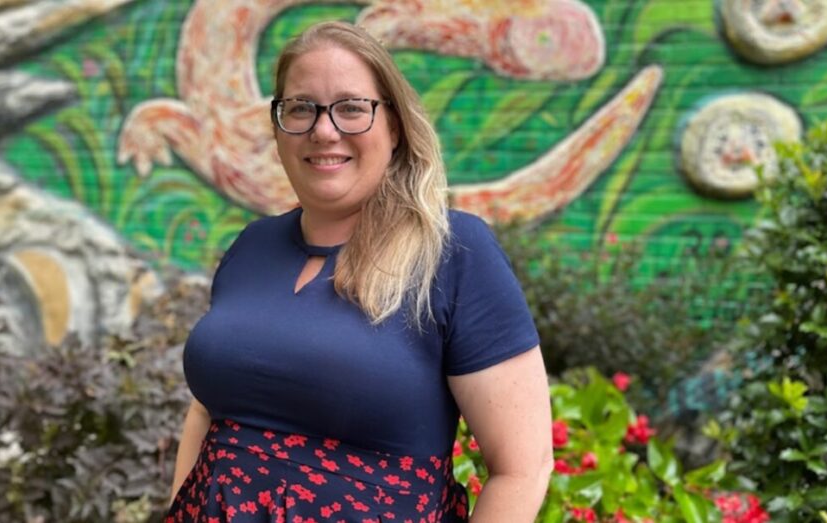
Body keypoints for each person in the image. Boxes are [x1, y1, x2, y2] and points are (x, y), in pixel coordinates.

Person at [166, 20, 553, 523]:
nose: (324, 130)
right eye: (301, 108)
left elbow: (523, 469)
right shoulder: (251, 246)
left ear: (394, 127)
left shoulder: (454, 253)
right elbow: (208, 411)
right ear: (278, 127)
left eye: (351, 108)